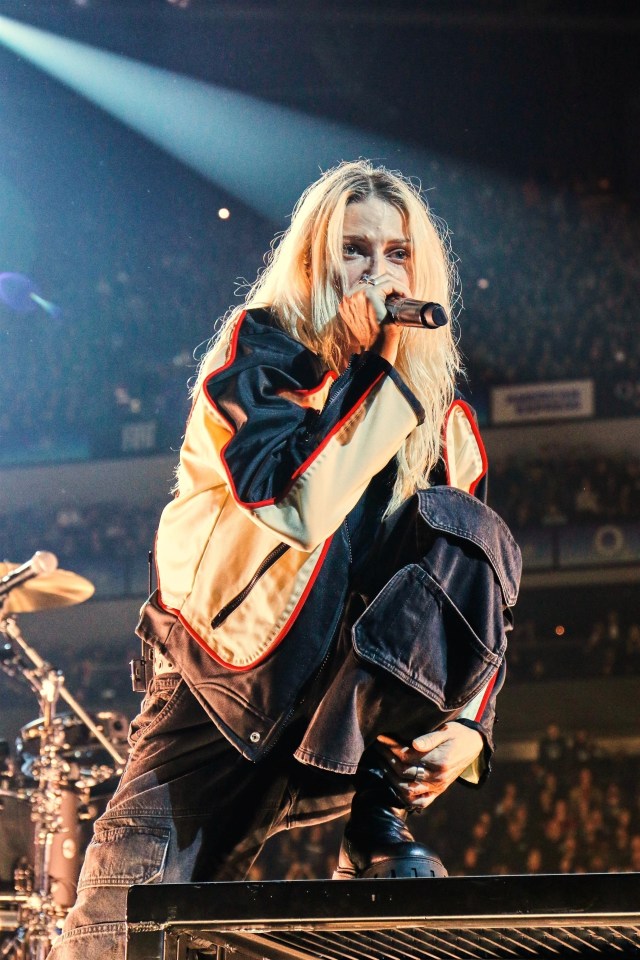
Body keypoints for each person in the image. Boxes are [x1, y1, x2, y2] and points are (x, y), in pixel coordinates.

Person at [49, 160, 521, 960]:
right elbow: (293, 506)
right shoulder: (260, 353)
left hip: (328, 722)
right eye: (355, 251)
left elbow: (474, 588)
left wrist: (469, 726)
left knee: (463, 523)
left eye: (397, 254)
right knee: (116, 934)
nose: (378, 274)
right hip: (218, 698)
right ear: (314, 262)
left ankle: (377, 810)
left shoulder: (440, 421)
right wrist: (386, 380)